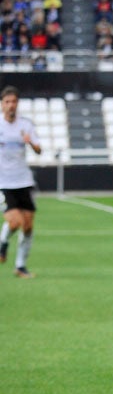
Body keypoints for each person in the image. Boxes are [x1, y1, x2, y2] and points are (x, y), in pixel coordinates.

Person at [0, 86, 42, 278]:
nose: (11, 105)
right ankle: (3, 242)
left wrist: (30, 142)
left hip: (23, 181)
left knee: (28, 226)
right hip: (3, 182)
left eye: (14, 101)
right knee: (15, 222)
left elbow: (39, 150)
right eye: (7, 102)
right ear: (2, 104)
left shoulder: (25, 124)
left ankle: (20, 266)